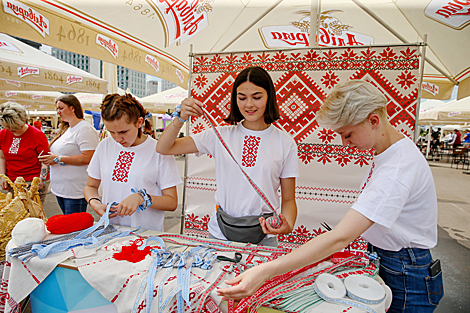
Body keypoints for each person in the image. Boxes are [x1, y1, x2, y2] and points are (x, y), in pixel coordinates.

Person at [217, 80, 443, 312]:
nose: (345, 143)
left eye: (348, 134)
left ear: (373, 121)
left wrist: (264, 272)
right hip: (391, 260)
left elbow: (340, 237)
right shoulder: (390, 152)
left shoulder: (397, 169)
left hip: (405, 270)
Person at [156, 66, 299, 246]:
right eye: (242, 98)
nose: (249, 104)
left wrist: (288, 224)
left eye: (257, 97)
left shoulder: (284, 143)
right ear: (235, 100)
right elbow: (164, 148)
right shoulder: (220, 135)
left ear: (269, 97)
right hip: (220, 234)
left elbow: (288, 199)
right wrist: (180, 118)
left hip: (264, 235)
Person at [83, 94, 181, 231]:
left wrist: (143, 198)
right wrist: (96, 203)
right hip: (110, 231)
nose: (117, 138)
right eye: (112, 132)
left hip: (146, 235)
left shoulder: (159, 150)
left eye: (123, 131)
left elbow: (171, 202)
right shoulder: (105, 146)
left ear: (139, 122)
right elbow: (90, 186)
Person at [39, 95, 99, 215]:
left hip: (74, 190)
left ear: (72, 108)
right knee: (69, 224)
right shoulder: (67, 128)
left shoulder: (84, 129)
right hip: (62, 188)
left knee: (74, 227)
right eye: (57, 109)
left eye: (61, 108)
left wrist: (57, 159)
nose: (58, 112)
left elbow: (89, 157)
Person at [0, 102, 50, 204]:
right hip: (13, 182)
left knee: (32, 215)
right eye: (7, 127)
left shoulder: (37, 135)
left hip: (32, 182)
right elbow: (2, 157)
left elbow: (45, 160)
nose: (10, 130)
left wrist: (41, 178)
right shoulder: (3, 134)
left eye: (14, 128)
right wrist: (2, 176)